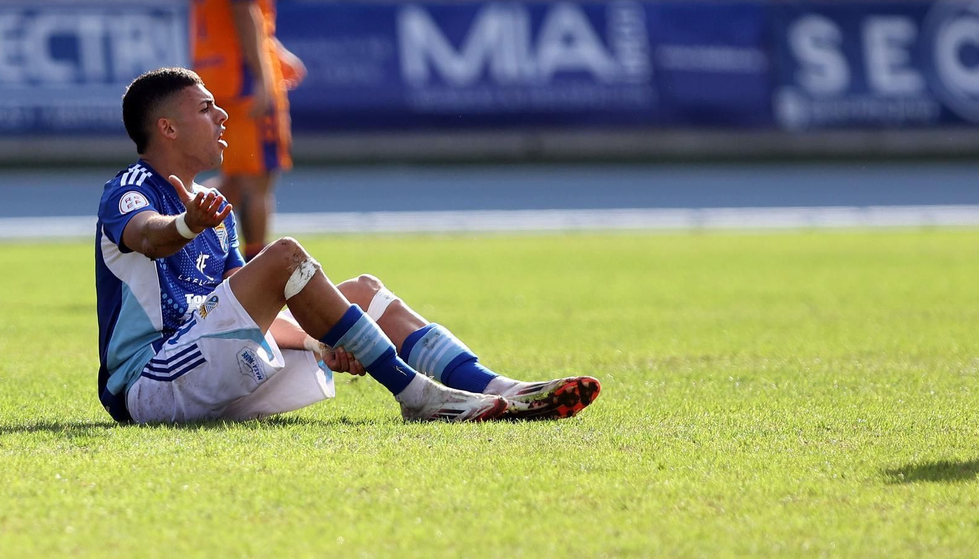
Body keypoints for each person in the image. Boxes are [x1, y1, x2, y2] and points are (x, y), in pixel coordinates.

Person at [95, 67, 601, 424]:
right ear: (167, 127)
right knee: (285, 257)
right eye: (206, 108)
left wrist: (321, 341)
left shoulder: (210, 202)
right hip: (152, 383)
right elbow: (147, 234)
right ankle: (418, 395)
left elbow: (241, 302)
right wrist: (185, 225)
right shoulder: (131, 187)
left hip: (210, 368)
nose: (223, 115)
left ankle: (498, 390)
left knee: (361, 292)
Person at [188, 0, 305, 261]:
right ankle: (257, 276)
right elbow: (243, 11)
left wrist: (275, 50)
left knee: (234, 179)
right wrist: (261, 74)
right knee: (258, 181)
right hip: (242, 76)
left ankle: (168, 243)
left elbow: (230, 10)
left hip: (214, 69)